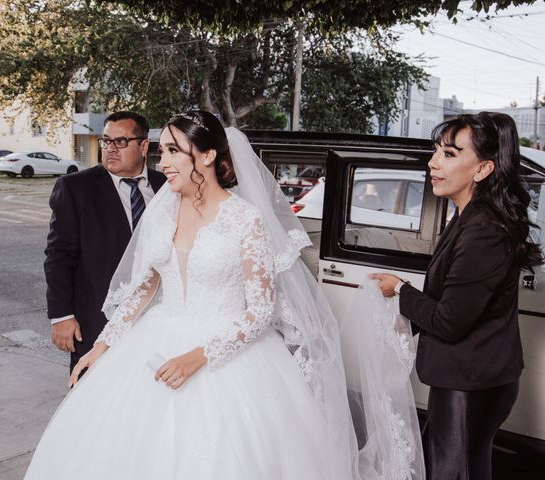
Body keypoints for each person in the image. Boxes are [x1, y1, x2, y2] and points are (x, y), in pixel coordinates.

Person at [27, 111, 424, 479]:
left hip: (229, 356)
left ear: (207, 155)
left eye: (173, 151)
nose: (163, 162)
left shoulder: (245, 220)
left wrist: (197, 357)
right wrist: (103, 345)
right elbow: (142, 289)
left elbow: (260, 312)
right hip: (157, 338)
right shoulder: (161, 213)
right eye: (162, 150)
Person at [371, 112, 543, 480]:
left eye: (449, 154)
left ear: (482, 169)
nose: (433, 162)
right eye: (436, 151)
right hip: (474, 376)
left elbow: (449, 321)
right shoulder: (469, 217)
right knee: (464, 467)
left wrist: (399, 290)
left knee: (453, 472)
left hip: (471, 380)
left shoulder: (484, 230)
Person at [44, 111, 166, 373]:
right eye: (106, 141)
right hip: (96, 321)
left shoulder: (166, 186)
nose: (110, 149)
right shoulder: (75, 188)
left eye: (120, 142)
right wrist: (62, 316)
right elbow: (59, 255)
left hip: (157, 319)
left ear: (144, 146)